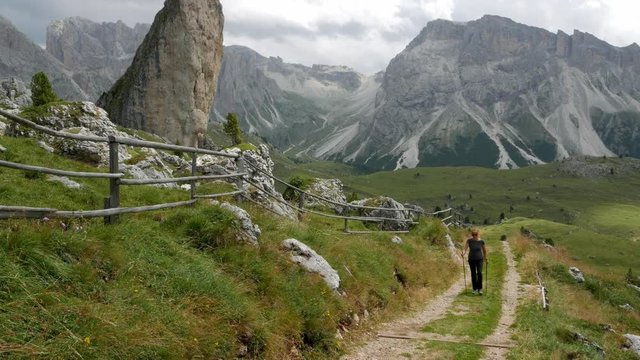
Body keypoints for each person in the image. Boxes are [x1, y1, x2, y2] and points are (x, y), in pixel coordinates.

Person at [463, 228, 487, 295]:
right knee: (473, 274)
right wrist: (463, 253)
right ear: (472, 235)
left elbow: (484, 250)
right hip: (471, 259)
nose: (474, 236)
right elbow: (465, 249)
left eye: (475, 234)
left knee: (479, 273)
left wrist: (485, 258)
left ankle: (480, 289)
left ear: (478, 234)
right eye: (473, 234)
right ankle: (474, 289)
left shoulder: (481, 241)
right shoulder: (469, 241)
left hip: (480, 259)